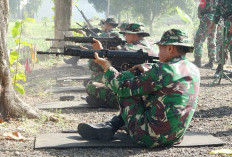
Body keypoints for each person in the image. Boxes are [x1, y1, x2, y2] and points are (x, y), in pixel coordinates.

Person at [78, 29, 200, 148]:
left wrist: (106, 66)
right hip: (175, 137)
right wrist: (146, 67)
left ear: (170, 48)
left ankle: (111, 126)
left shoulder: (163, 70)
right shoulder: (193, 68)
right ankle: (111, 126)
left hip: (149, 138)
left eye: (160, 48)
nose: (158, 52)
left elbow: (120, 87)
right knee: (140, 85)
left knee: (127, 87)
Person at [85, 23, 159, 109]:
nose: (124, 36)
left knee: (92, 86)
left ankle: (114, 102)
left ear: (133, 35)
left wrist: (99, 51)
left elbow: (98, 65)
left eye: (126, 34)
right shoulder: (154, 47)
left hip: (136, 91)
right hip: (152, 89)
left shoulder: (128, 49)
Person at [209, 0, 232, 77]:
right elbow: (218, 11)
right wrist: (213, 23)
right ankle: (220, 68)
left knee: (225, 45)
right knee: (224, 45)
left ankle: (219, 69)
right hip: (226, 23)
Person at [193, 0, 218, 68]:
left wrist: (200, 15)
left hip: (206, 17)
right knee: (211, 39)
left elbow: (201, 7)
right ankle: (211, 62)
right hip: (215, 18)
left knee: (198, 39)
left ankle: (197, 61)